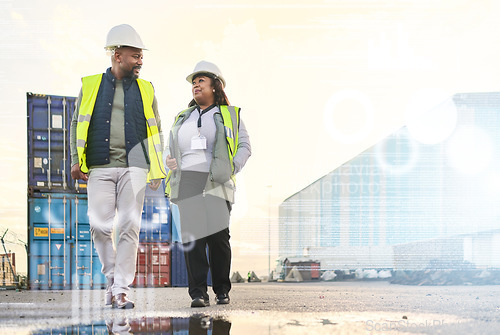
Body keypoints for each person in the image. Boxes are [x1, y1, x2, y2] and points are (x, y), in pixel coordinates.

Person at [69, 24, 166, 309]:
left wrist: (156, 168)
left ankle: (122, 289)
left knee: (129, 228)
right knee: (99, 227)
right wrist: (76, 160)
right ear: (116, 54)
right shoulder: (90, 85)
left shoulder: (147, 89)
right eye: (135, 55)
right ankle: (112, 280)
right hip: (99, 166)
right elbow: (77, 122)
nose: (140, 61)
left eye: (141, 56)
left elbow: (155, 128)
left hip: (135, 169)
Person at [165, 60, 251, 307]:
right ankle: (198, 293)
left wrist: (230, 168)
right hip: (187, 180)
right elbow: (171, 147)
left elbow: (245, 146)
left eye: (201, 80)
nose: (195, 85)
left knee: (218, 238)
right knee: (193, 239)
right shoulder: (183, 116)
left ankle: (222, 289)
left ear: (215, 85)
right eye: (193, 82)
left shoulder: (229, 115)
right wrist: (169, 160)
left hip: (217, 179)